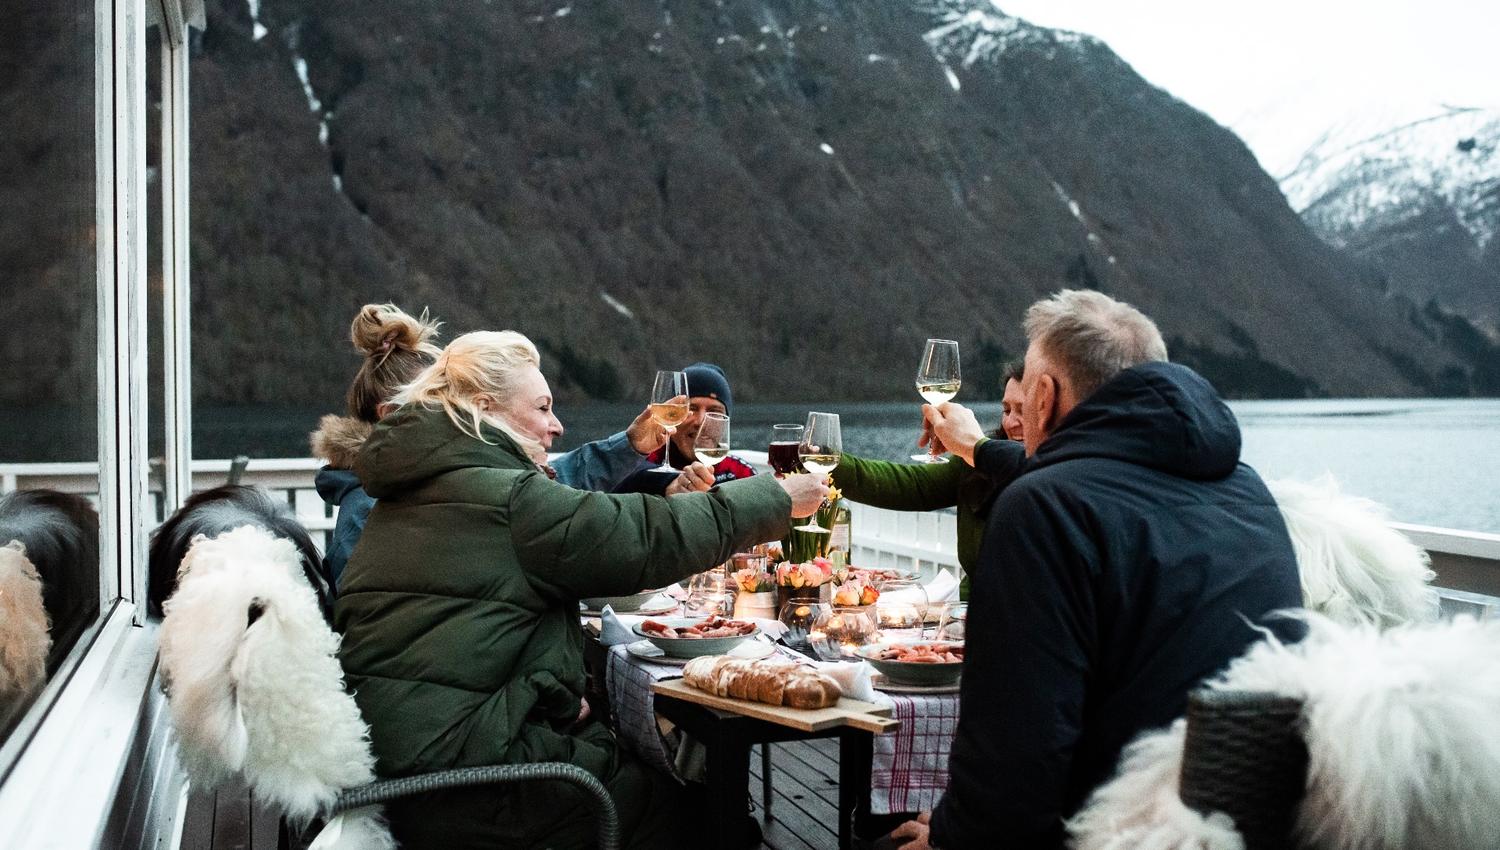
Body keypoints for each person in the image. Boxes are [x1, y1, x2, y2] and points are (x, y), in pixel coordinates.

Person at [335, 330, 828, 849]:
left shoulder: (420, 486)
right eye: (543, 407)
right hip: (471, 782)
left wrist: (549, 691)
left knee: (666, 782)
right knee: (706, 821)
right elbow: (642, 537)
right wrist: (772, 499)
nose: (556, 425)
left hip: (412, 756)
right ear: (485, 409)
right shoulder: (503, 496)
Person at [893, 290, 1303, 849]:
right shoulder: (1245, 489)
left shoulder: (1044, 508)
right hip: (1253, 825)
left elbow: (1016, 758)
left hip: (1111, 830)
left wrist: (949, 836)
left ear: (1044, 396)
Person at [310, 304, 689, 589]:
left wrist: (629, 445)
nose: (466, 421)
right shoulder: (368, 512)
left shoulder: (441, 478)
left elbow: (553, 481)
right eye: (446, 407)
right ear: (392, 416)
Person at [833, 361, 1029, 599]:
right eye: (1007, 410)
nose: (1010, 422)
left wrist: (975, 446)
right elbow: (911, 485)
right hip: (969, 619)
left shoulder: (1061, 481)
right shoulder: (975, 464)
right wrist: (821, 460)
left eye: (1024, 411)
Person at [614, 362, 756, 495]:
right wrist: (669, 484)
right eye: (691, 408)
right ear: (671, 414)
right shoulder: (640, 462)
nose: (701, 421)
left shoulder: (740, 472)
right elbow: (617, 482)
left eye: (714, 412)